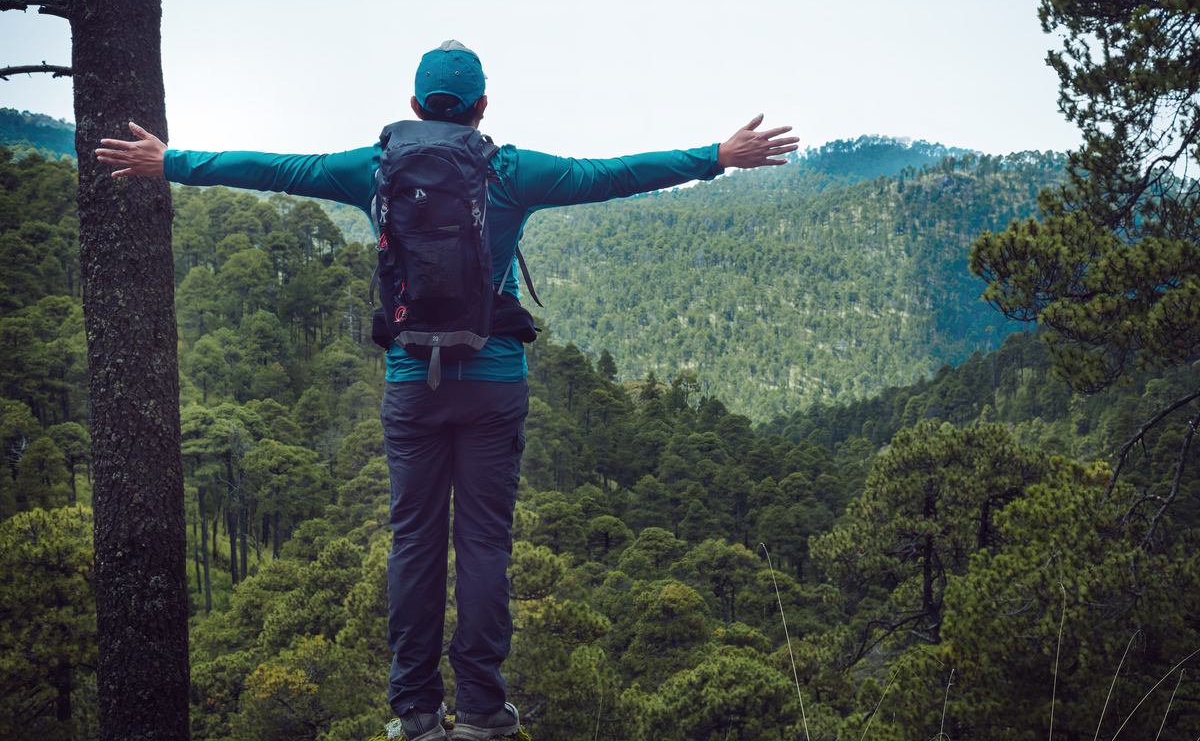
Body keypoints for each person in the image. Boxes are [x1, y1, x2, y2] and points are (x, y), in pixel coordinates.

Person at [96, 39, 797, 741]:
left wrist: (170, 162)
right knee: (487, 545)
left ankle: (416, 713)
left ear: (413, 106)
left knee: (415, 546)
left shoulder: (373, 169)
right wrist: (714, 156)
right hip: (493, 385)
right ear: (482, 108)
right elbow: (607, 175)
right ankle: (484, 711)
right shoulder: (512, 172)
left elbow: (278, 170)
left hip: (412, 389)